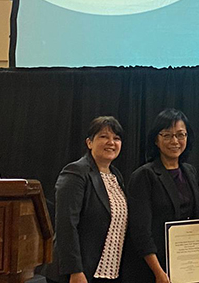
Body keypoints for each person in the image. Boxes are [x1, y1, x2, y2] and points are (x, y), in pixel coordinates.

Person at [125, 109, 199, 283]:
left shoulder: (189, 171)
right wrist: (158, 272)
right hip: (153, 270)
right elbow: (140, 231)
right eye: (167, 135)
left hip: (185, 266)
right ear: (156, 140)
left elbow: (196, 219)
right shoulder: (144, 175)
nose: (175, 141)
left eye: (180, 135)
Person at [54, 117, 128, 283]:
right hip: (79, 273)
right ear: (89, 142)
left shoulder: (116, 176)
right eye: (103, 137)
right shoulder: (75, 172)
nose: (111, 142)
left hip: (109, 271)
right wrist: (75, 271)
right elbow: (66, 224)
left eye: (116, 138)